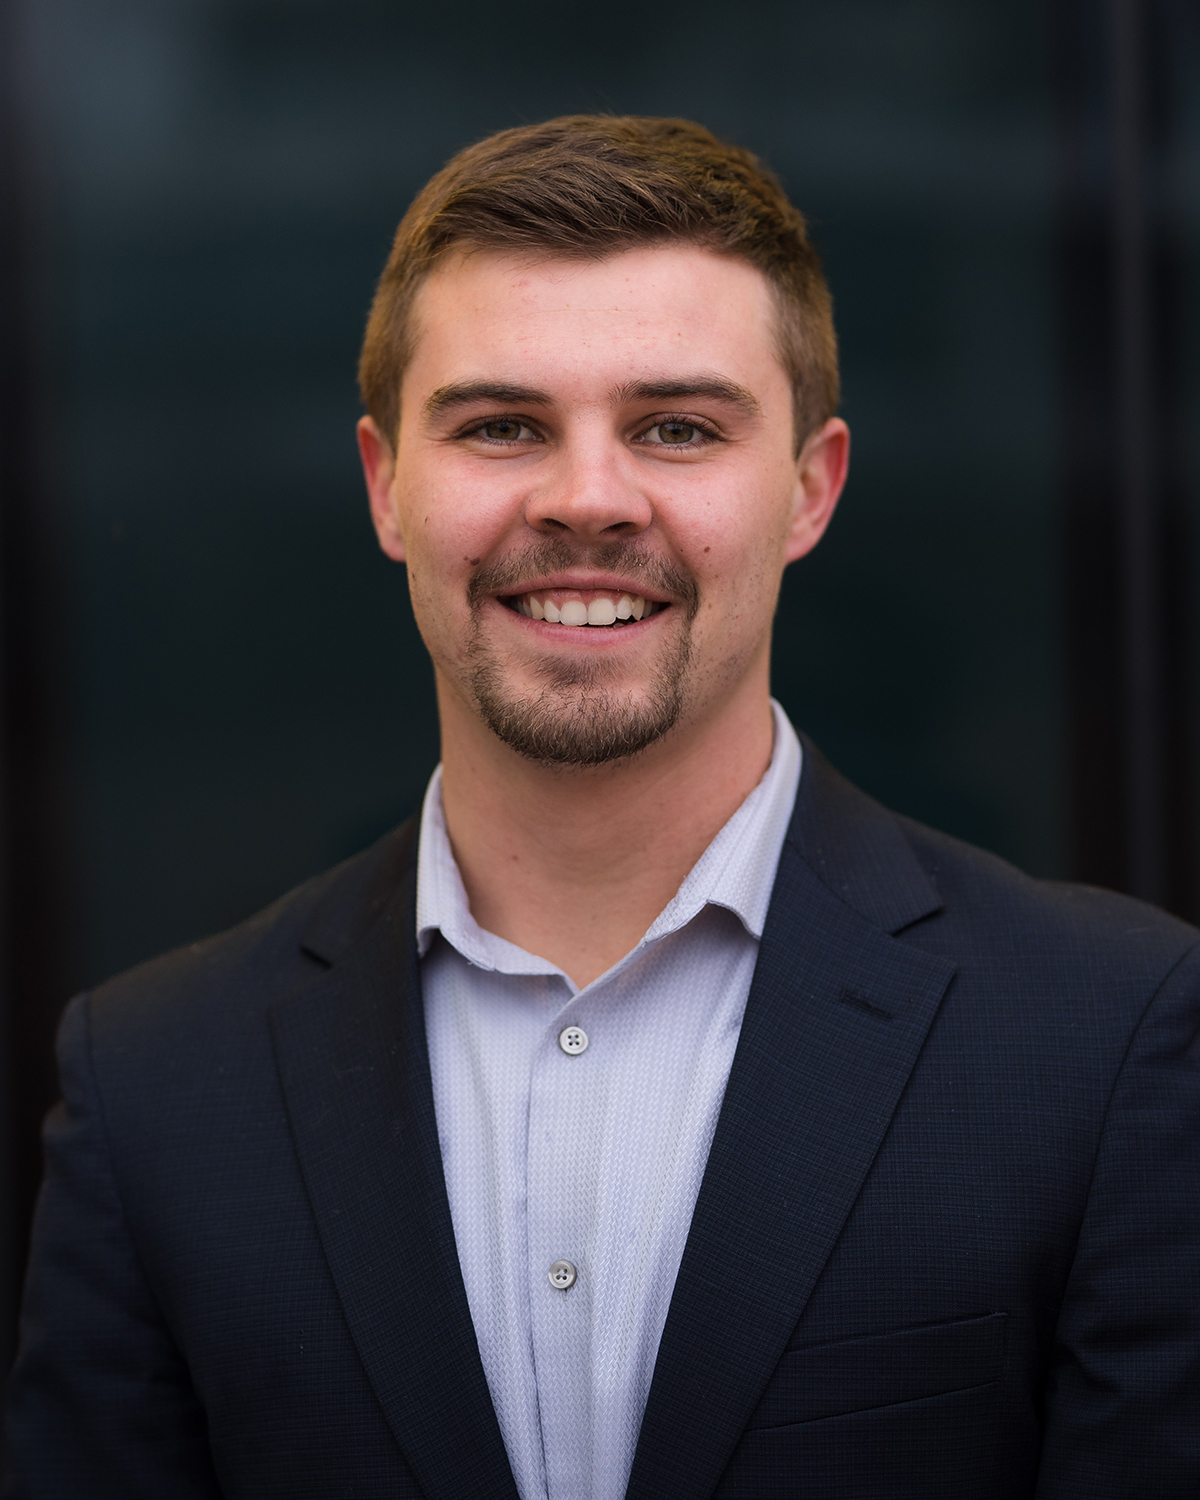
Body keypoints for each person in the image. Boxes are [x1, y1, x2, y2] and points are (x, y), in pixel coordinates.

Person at [4, 115, 1198, 1500]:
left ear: (809, 489)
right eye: (502, 427)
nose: (587, 500)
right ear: (388, 487)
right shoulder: (152, 1087)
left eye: (676, 428)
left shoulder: (1110, 1038)